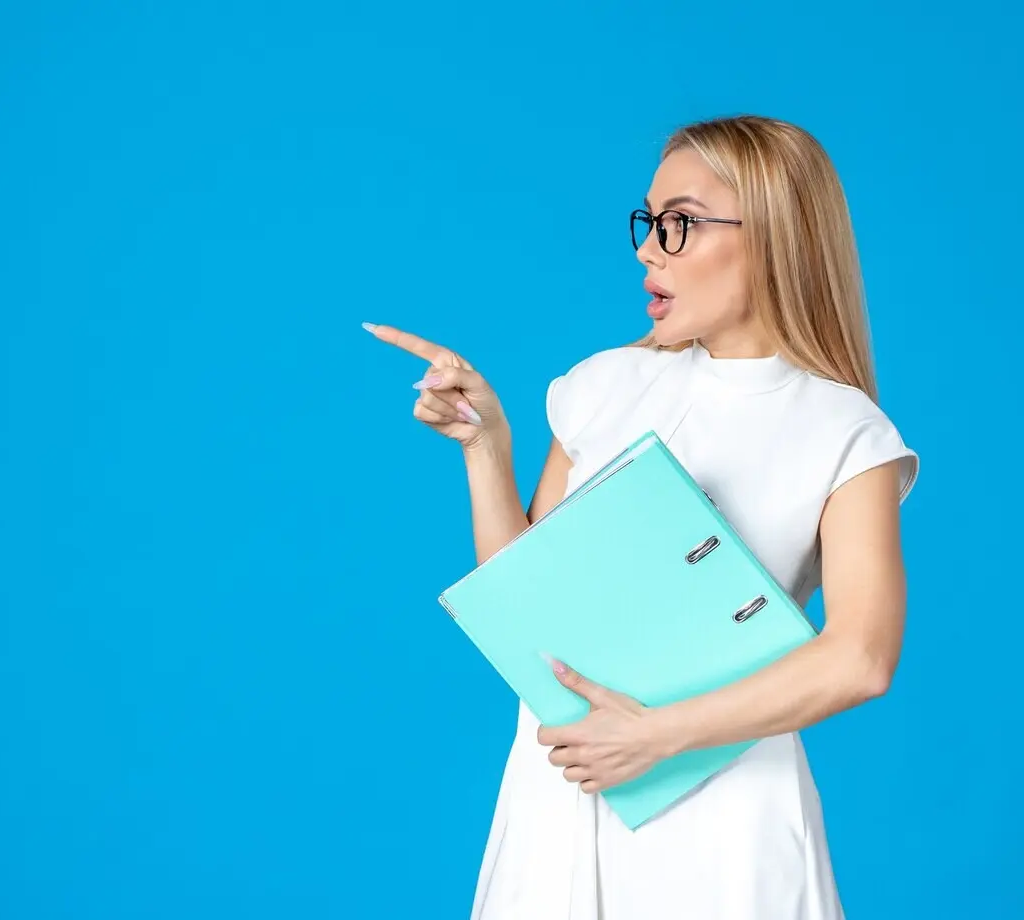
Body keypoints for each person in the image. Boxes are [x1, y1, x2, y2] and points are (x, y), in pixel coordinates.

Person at [362, 113, 918, 919]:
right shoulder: (601, 386)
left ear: (773, 236)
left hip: (728, 811)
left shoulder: (846, 433)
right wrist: (486, 448)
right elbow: (529, 610)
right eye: (648, 222)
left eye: (680, 224)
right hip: (565, 789)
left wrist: (657, 735)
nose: (648, 249)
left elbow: (860, 658)